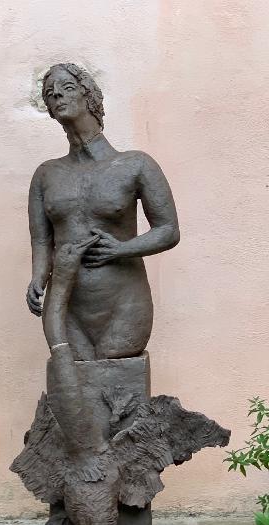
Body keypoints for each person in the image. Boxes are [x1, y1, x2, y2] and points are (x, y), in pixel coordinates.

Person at [27, 63, 180, 360]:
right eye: (49, 93)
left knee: (118, 369)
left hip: (123, 299)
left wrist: (121, 249)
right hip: (66, 304)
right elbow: (42, 240)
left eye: (67, 88)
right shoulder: (46, 175)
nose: (57, 94)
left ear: (90, 97)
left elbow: (168, 229)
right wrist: (37, 278)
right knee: (71, 377)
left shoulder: (136, 165)